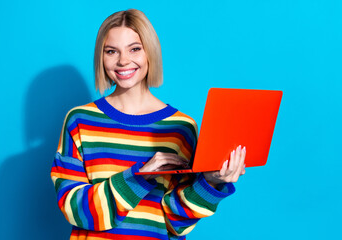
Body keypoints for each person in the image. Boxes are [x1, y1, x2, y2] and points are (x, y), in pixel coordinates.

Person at [51, 9, 246, 240]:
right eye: (111, 51)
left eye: (135, 49)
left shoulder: (181, 128)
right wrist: (139, 177)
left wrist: (212, 182)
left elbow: (176, 224)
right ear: (101, 58)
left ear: (150, 53)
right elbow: (75, 210)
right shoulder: (80, 120)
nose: (123, 60)